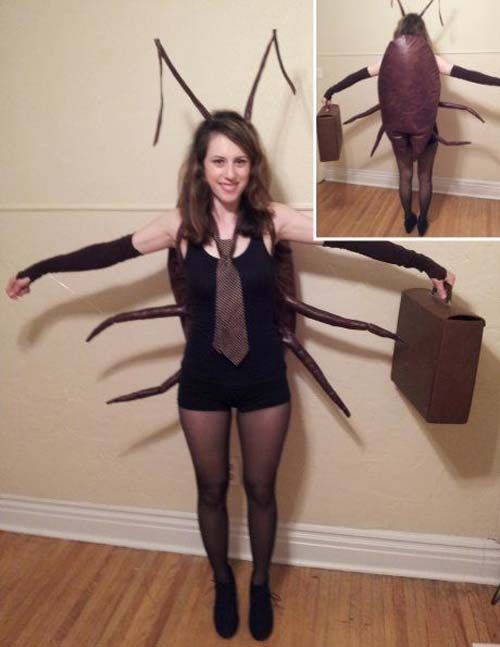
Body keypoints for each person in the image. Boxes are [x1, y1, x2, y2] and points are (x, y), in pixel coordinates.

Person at [6, 110, 455, 641]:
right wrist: (38, 270)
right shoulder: (178, 226)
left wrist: (426, 265)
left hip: (264, 380)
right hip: (202, 382)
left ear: (252, 166)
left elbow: (353, 242)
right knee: (212, 489)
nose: (229, 172)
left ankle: (260, 584)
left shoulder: (272, 220)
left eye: (240, 161)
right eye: (219, 161)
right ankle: (222, 581)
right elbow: (107, 253)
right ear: (200, 166)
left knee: (261, 490)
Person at [323, 11, 500, 237]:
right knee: (425, 177)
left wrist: (331, 91)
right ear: (422, 33)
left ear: (399, 32)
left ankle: (408, 217)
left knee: (405, 175)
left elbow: (356, 76)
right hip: (426, 129)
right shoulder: (433, 60)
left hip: (396, 129)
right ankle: (423, 220)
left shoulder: (386, 60)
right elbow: (469, 74)